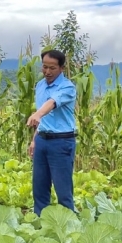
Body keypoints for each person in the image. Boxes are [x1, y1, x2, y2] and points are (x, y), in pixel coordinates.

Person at [26, 49, 77, 217]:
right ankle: (41, 224)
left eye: (52, 68)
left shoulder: (67, 87)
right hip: (42, 140)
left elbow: (52, 102)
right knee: (39, 188)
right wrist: (34, 140)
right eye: (44, 67)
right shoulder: (40, 85)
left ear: (61, 68)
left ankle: (69, 226)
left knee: (63, 190)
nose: (47, 72)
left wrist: (38, 114)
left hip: (61, 142)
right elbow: (42, 120)